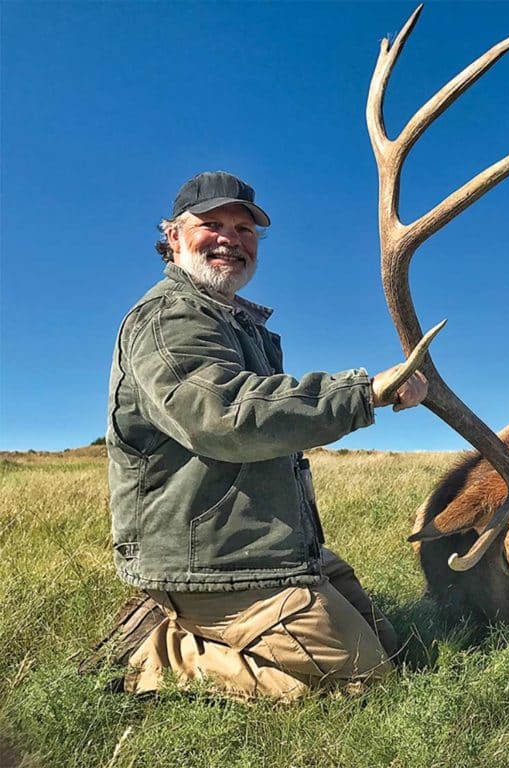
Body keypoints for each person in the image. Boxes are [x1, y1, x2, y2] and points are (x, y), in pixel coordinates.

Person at [101, 171, 427, 701]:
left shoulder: (236, 324)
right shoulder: (169, 318)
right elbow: (224, 416)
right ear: (174, 237)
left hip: (262, 551)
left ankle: (200, 625)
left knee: (393, 644)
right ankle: (161, 653)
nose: (231, 238)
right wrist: (363, 392)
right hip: (210, 562)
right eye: (212, 225)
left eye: (245, 229)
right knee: (363, 682)